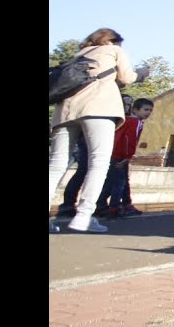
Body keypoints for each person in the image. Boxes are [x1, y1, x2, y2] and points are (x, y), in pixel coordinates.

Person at [48, 28, 151, 233]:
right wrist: (142, 73)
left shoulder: (78, 55)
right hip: (98, 110)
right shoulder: (113, 51)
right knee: (99, 162)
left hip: (65, 112)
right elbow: (128, 78)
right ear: (113, 41)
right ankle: (84, 216)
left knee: (56, 165)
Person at [94, 97, 154, 216]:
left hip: (112, 154)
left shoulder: (123, 120)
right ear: (136, 110)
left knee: (111, 181)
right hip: (121, 156)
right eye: (146, 110)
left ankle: (100, 205)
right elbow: (130, 139)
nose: (148, 113)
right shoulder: (135, 122)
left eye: (150, 111)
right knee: (119, 183)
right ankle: (114, 207)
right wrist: (128, 157)